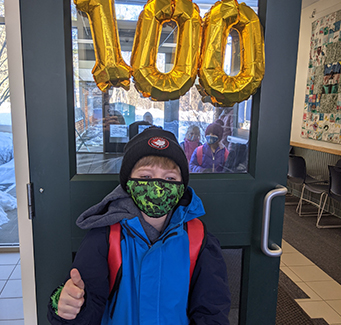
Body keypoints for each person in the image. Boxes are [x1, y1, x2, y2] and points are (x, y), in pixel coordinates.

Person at [47, 126, 231, 324]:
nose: (158, 187)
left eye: (170, 178)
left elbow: (212, 310)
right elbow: (84, 305)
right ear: (128, 182)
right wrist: (66, 306)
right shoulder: (106, 236)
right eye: (146, 177)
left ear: (181, 186)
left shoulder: (198, 238)